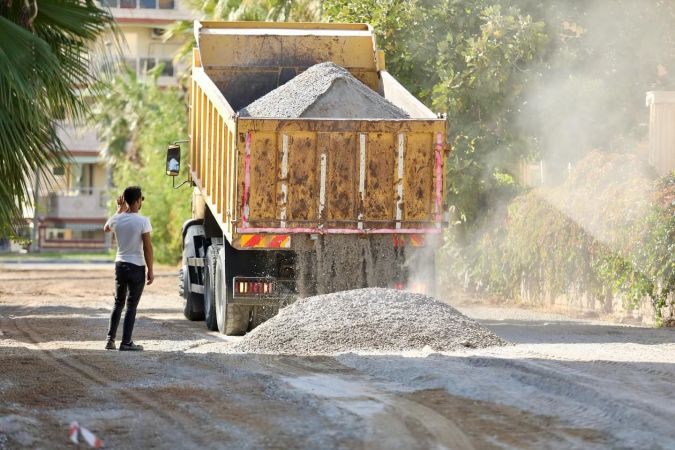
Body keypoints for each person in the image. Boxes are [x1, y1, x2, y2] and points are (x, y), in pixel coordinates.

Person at [103, 186, 154, 351]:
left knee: (118, 302)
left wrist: (119, 209)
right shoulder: (143, 221)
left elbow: (106, 228)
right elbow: (147, 248)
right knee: (131, 305)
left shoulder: (117, 219)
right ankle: (126, 343)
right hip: (137, 266)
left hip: (120, 265)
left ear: (125, 200)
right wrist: (151, 270)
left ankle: (110, 340)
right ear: (138, 200)